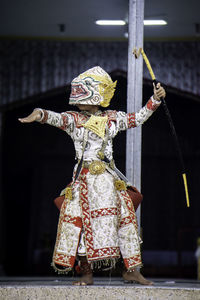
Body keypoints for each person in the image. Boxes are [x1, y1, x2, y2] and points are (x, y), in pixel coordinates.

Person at [19, 66, 166, 286]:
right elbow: (54, 118)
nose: (77, 101)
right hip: (84, 182)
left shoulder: (111, 118)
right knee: (79, 225)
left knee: (125, 223)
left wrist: (154, 100)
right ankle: (86, 274)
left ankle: (131, 270)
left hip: (108, 180)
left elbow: (137, 118)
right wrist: (39, 114)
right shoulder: (73, 120)